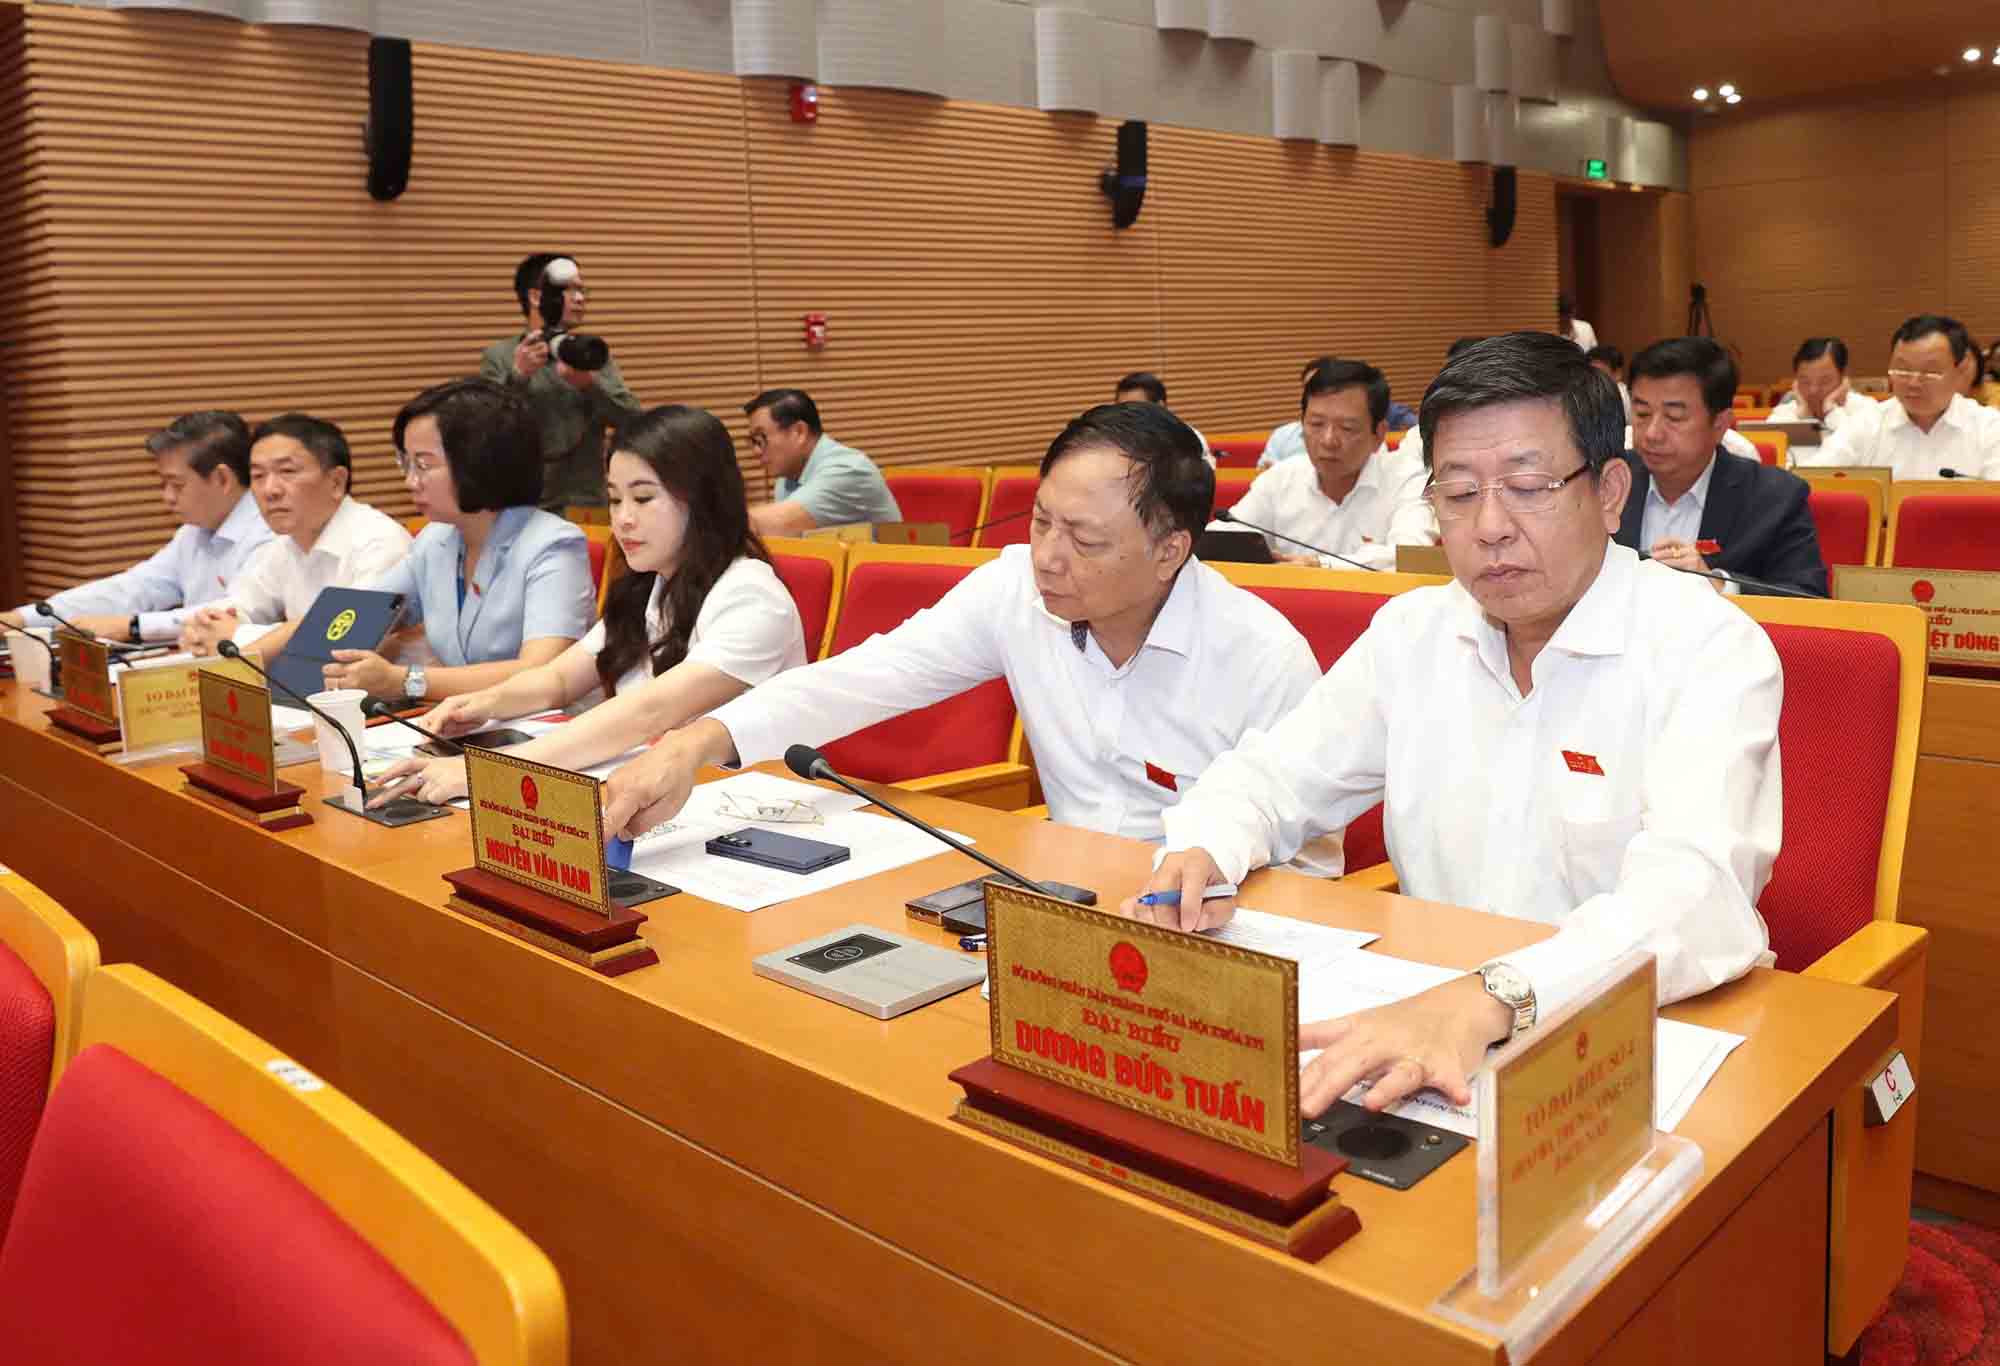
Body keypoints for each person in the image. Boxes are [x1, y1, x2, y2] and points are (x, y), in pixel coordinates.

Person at [1129, 332, 1779, 1118]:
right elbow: (1272, 777)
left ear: (1610, 493)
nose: (1490, 526)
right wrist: (1201, 848)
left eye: (1529, 485)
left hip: (1632, 1041)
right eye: (1459, 493)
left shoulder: (1706, 644)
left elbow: (1694, 891)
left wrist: (1487, 1001)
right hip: (1423, 1027)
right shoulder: (1415, 632)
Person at [600, 402, 1324, 853]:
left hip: (1207, 923)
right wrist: (699, 743)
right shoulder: (1014, 588)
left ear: (1171, 550)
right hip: (1058, 897)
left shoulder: (1261, 657)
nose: (1048, 556)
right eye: (1042, 520)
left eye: (1085, 539)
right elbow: (861, 679)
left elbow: (1310, 858)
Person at [370, 405, 807, 808]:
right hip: (660, 792)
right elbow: (560, 679)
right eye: (615, 499)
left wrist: (485, 772)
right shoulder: (650, 585)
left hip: (750, 802)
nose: (623, 519)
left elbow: (651, 711)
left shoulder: (751, 596)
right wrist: (483, 703)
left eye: (643, 497)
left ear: (704, 499)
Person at [315, 379, 596, 705]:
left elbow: (540, 671)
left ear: (480, 461)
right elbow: (353, 616)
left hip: (542, 730)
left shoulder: (552, 545)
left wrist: (406, 681)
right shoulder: (436, 540)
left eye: (423, 464)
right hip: (463, 723)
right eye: (405, 462)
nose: (410, 481)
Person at [4, 411, 271, 643]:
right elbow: (134, 588)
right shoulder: (193, 533)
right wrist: (23, 618)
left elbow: (235, 611)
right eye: (163, 484)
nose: (167, 497)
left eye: (177, 485)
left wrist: (131, 627)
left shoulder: (269, 530)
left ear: (222, 479)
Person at [178, 414, 413, 659]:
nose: (270, 490)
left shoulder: (378, 541)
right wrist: (205, 627)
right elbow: (239, 605)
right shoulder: (283, 545)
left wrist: (238, 637)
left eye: (287, 471)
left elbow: (343, 638)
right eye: (258, 476)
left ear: (336, 482)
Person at [1617, 337, 1827, 597]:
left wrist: (1721, 585)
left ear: (1720, 424)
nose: (1652, 433)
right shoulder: (1607, 480)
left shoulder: (1774, 498)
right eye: (1641, 414)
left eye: (1674, 417)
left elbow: (1809, 599)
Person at [1225, 359, 1435, 570]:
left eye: (1347, 428)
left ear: (1379, 434)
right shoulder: (1280, 478)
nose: (1328, 440)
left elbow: (1411, 557)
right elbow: (1229, 532)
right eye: (1316, 424)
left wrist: (1322, 565)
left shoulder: (1406, 478)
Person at [479, 252, 641, 513]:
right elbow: (486, 430)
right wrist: (518, 376)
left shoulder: (589, 353)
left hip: (586, 503)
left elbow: (632, 418)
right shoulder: (500, 357)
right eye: (568, 290)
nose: (580, 298)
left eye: (582, 290)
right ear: (536, 297)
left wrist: (590, 385)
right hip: (524, 507)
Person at [1813, 314, 2000, 478]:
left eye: (1930, 372)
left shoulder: (1988, 427)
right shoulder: (1867, 423)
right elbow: (1812, 478)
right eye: (1902, 370)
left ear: (1960, 371)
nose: (1913, 382)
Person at [743, 388, 902, 536]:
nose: (756, 451)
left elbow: (765, 525)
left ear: (799, 432)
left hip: (883, 564)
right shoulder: (787, 477)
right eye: (753, 441)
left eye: (761, 438)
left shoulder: (847, 471)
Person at [1766, 337, 1874, 433]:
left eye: (1824, 381)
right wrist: (1803, 418)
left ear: (1843, 376)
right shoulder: (1786, 412)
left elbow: (1859, 444)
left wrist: (1831, 411)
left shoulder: (1865, 409)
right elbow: (1771, 442)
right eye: (1805, 382)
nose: (1813, 390)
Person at [1114, 372, 1213, 464]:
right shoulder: (1114, 443)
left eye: (1135, 408)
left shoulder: (1189, 440)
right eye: (1120, 408)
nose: (1126, 415)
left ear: (1160, 407)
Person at [1586, 345, 1633, 423]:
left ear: (1618, 374)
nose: (1594, 378)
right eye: (1590, 373)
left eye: (1600, 373)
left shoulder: (1626, 398)